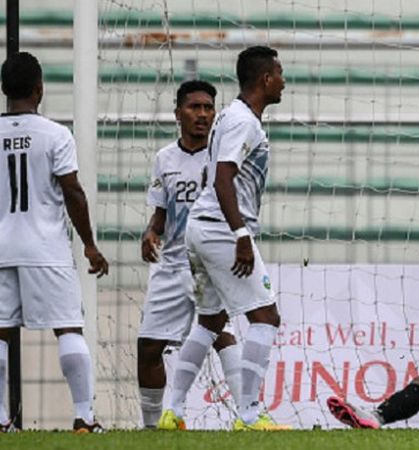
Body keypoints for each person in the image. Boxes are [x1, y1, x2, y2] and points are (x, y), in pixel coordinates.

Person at [0, 51, 109, 433]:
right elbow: (73, 191)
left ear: (3, 90)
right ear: (40, 89)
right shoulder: (55, 134)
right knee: (68, 327)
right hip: (47, 248)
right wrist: (89, 244)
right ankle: (84, 416)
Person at [156, 45, 289, 431]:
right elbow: (223, 175)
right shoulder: (243, 122)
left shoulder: (231, 117)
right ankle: (249, 415)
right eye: (279, 73)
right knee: (266, 316)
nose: (283, 81)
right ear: (265, 78)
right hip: (220, 229)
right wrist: (240, 234)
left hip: (202, 226)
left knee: (210, 320)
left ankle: (172, 411)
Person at [137, 80, 244, 429]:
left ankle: (247, 414)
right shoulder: (164, 159)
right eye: (194, 107)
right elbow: (160, 214)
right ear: (178, 113)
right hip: (171, 264)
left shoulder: (223, 159)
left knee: (219, 333)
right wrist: (152, 232)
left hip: (209, 263)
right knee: (149, 348)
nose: (202, 114)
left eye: (208, 108)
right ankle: (152, 427)